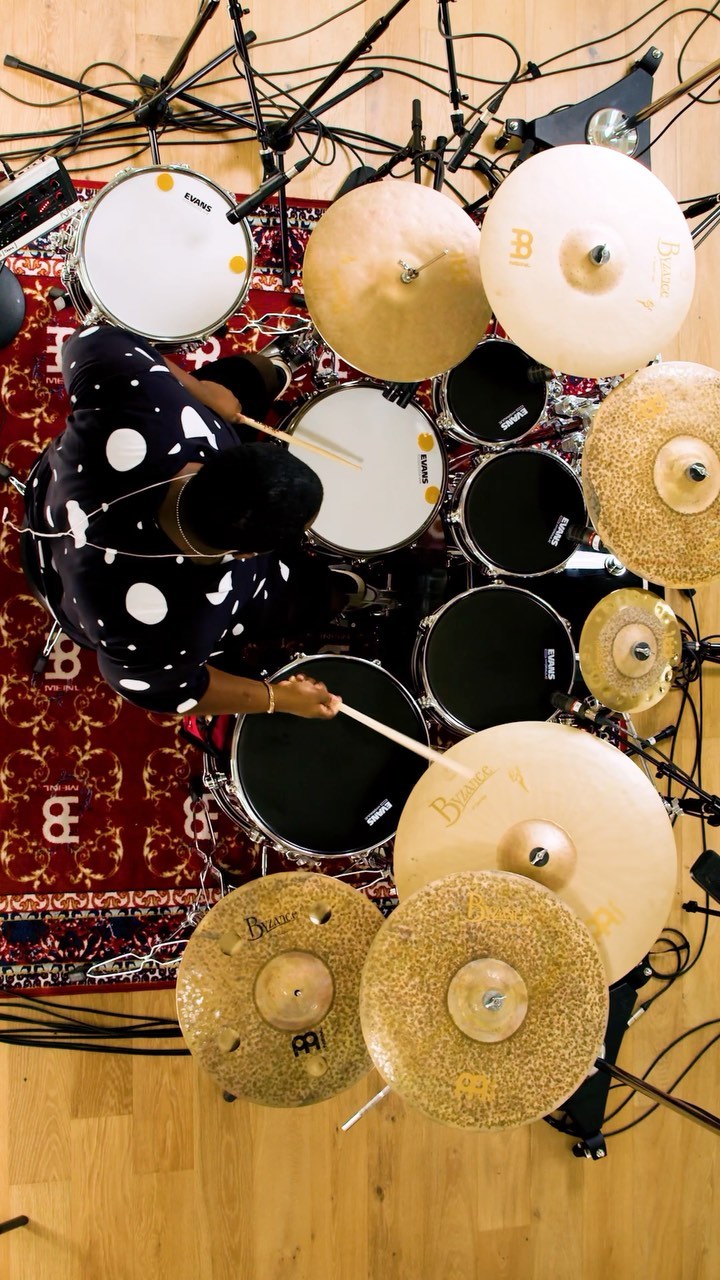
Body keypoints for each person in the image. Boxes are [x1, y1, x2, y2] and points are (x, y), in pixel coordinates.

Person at [23, 322, 367, 719]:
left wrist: (201, 391)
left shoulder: (141, 404)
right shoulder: (170, 627)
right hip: (75, 590)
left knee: (250, 376)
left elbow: (89, 340)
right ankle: (337, 592)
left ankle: (275, 368)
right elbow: (166, 691)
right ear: (245, 555)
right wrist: (281, 699)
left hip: (59, 493)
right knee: (315, 599)